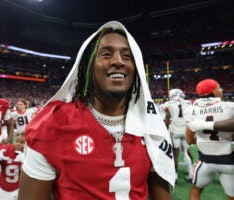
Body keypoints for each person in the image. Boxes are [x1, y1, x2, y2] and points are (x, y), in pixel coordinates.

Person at [18, 21, 176, 200]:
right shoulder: (52, 124)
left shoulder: (151, 122)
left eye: (127, 56)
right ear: (87, 67)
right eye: (107, 54)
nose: (118, 61)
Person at [184, 79, 234, 200]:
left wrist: (204, 138)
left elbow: (189, 140)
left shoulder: (190, 111)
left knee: (195, 191)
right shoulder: (229, 107)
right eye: (219, 87)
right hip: (229, 161)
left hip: (205, 161)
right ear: (213, 91)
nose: (221, 89)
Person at [164, 89, 194, 181]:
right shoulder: (188, 103)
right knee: (185, 152)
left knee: (175, 154)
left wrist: (165, 128)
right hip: (185, 130)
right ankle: (191, 175)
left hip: (175, 131)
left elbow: (167, 117)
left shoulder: (169, 104)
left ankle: (175, 176)